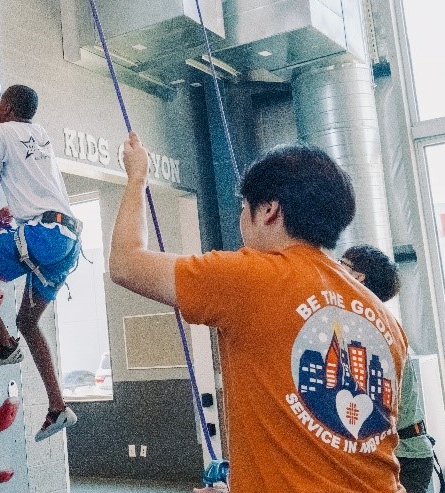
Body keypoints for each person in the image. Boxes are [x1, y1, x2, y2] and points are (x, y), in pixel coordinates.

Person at [110, 133, 408, 492]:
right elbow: (333, 449)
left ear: (269, 209)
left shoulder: (252, 277)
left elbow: (125, 263)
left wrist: (137, 177)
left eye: (243, 207)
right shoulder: (384, 319)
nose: (241, 219)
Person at [0, 84, 81, 442]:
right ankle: (57, 407)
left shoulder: (3, 131)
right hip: (68, 239)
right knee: (28, 320)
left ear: (6, 107)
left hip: (43, 235)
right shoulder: (40, 134)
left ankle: (3, 344)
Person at [341, 245, 436, 493]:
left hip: (404, 456)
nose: (335, 270)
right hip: (404, 452)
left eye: (342, 264)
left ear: (358, 276)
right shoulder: (372, 321)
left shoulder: (371, 327)